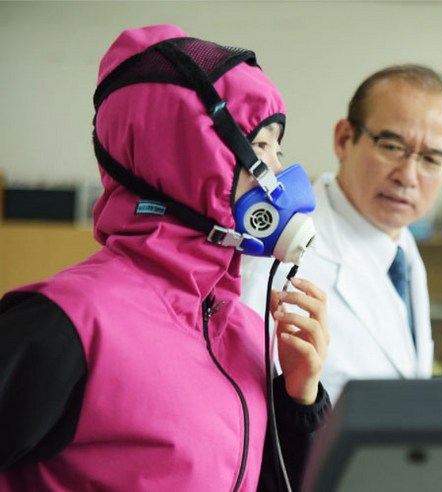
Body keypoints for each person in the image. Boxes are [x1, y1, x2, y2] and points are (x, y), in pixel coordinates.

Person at [0, 25, 330, 491]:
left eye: (280, 148)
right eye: (259, 146)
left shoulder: (240, 332)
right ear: (185, 155)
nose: (280, 172)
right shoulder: (69, 323)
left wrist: (299, 400)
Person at [241, 64, 442, 402]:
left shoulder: (401, 248)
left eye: (431, 159)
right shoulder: (273, 264)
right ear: (344, 139)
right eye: (391, 146)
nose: (408, 176)